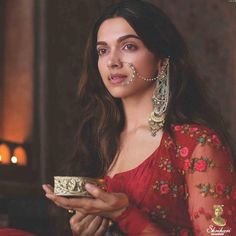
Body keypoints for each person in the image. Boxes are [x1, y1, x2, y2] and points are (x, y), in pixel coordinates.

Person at [43, 0, 236, 235]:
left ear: (161, 60)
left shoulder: (197, 144)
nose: (112, 61)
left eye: (128, 47)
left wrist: (124, 214)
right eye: (102, 50)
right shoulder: (98, 140)